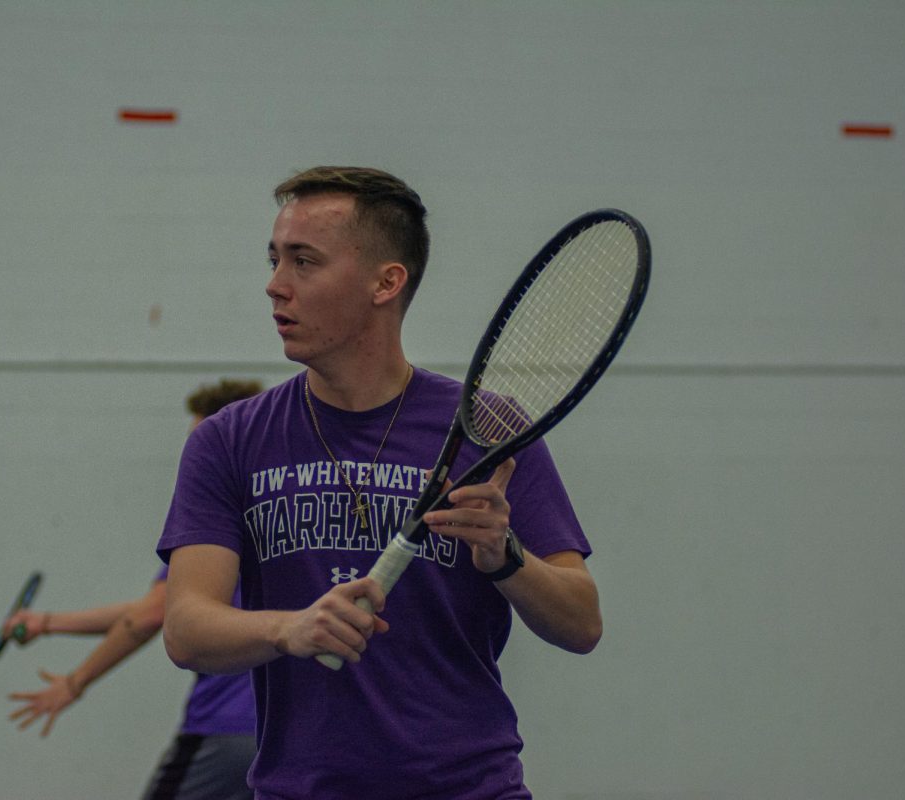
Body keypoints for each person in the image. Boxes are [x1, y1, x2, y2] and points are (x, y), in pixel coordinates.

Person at [157, 167, 602, 799]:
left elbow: (581, 623)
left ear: (385, 282)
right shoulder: (228, 440)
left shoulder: (490, 428)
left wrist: (507, 557)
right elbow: (187, 628)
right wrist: (289, 629)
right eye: (275, 259)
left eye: (304, 262)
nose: (274, 286)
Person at [5, 379, 263, 800]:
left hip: (226, 731)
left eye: (201, 442)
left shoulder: (220, 520)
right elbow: (154, 606)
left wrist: (75, 682)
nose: (194, 457)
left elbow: (150, 615)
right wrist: (47, 623)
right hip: (289, 737)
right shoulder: (280, 513)